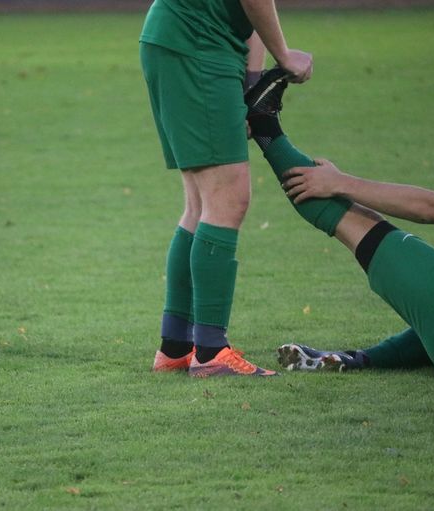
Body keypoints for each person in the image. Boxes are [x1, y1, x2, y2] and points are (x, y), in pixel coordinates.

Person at [244, 69, 434, 377]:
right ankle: (354, 359)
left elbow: (430, 208)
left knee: (358, 221)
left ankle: (263, 123)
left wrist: (340, 183)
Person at [140, 0, 313, 377]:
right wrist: (284, 55)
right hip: (198, 46)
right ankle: (211, 352)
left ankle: (176, 348)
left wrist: (250, 85)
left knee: (200, 203)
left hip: (184, 41)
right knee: (227, 199)